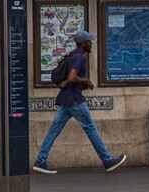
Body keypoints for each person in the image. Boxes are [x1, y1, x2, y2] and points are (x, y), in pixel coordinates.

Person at [34, 30, 125, 173]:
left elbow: (65, 81)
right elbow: (71, 78)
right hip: (75, 99)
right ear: (84, 43)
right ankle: (107, 161)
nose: (91, 43)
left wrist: (82, 83)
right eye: (89, 41)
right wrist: (85, 80)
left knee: (54, 130)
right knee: (90, 128)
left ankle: (40, 161)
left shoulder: (72, 56)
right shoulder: (79, 58)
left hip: (65, 99)